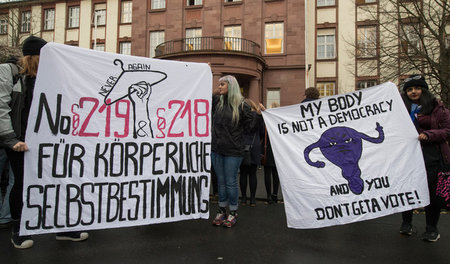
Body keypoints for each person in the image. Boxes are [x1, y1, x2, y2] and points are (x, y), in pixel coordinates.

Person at [0, 36, 88, 249]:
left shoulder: (48, 76)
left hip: (48, 141)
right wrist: (11, 139)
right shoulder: (9, 72)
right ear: (34, 57)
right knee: (21, 184)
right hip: (20, 142)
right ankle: (19, 231)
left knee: (56, 183)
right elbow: (1, 106)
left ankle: (62, 228)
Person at [399, 74, 450, 242]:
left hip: (432, 158)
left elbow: (447, 131)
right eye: (410, 89)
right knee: (407, 191)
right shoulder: (399, 108)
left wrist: (428, 134)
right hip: (407, 158)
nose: (413, 92)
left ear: (424, 90)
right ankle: (406, 224)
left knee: (432, 195)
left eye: (417, 88)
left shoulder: (438, 108)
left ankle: (432, 229)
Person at [211, 75, 254, 228]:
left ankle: (233, 212)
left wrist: (258, 115)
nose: (219, 87)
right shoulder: (217, 102)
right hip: (216, 149)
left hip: (233, 151)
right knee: (221, 182)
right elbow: (201, 96)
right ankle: (222, 209)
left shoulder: (242, 106)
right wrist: (205, 72)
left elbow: (250, 128)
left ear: (231, 86)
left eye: (222, 84)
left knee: (230, 182)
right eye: (219, 84)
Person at [239, 99, 264, 207]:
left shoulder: (240, 116)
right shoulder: (258, 116)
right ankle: (253, 199)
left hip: (241, 146)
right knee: (253, 174)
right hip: (254, 147)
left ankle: (243, 198)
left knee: (243, 174)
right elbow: (262, 132)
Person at [261, 102, 281, 204]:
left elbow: (261, 133)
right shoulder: (281, 120)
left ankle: (268, 195)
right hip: (279, 150)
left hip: (268, 148)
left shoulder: (266, 121)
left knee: (267, 173)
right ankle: (275, 195)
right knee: (276, 174)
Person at [0, 148, 13, 227]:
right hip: (17, 143)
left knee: (15, 181)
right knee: (15, 181)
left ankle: (6, 217)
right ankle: (6, 216)